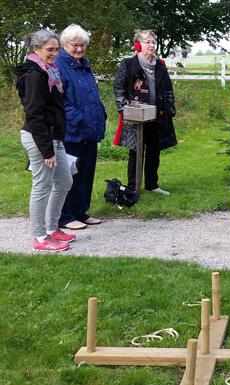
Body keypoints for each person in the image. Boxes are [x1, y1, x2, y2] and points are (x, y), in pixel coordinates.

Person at [16, 30, 76, 251]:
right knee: (42, 186)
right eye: (49, 49)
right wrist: (46, 151)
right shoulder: (34, 75)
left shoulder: (49, 71)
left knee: (64, 182)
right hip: (39, 137)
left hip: (54, 137)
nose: (54, 53)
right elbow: (35, 114)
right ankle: (40, 237)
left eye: (56, 49)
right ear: (36, 50)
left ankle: (52, 229)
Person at [55, 24, 106, 230]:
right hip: (72, 131)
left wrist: (100, 112)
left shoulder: (84, 64)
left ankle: (81, 211)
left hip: (90, 130)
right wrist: (78, 118)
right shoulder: (59, 65)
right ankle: (65, 216)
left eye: (82, 45)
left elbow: (90, 93)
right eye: (75, 45)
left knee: (86, 173)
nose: (79, 49)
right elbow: (60, 100)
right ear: (64, 45)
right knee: (70, 175)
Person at [113, 29, 177, 195]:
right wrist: (124, 108)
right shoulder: (128, 63)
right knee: (136, 151)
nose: (151, 45)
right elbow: (119, 87)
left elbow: (168, 89)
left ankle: (152, 185)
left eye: (153, 42)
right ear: (138, 44)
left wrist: (170, 109)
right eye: (147, 42)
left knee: (154, 151)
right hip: (136, 116)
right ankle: (133, 186)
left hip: (157, 115)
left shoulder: (160, 65)